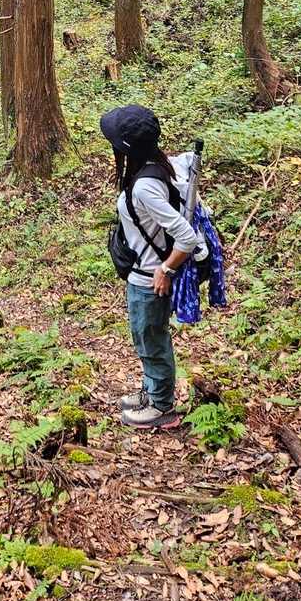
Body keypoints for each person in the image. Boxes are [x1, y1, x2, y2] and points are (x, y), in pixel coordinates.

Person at [100, 104, 204, 429]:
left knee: (151, 341)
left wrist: (166, 269)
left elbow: (187, 237)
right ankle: (151, 391)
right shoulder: (157, 166)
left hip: (149, 279)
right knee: (146, 339)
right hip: (141, 273)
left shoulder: (145, 186)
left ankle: (161, 406)